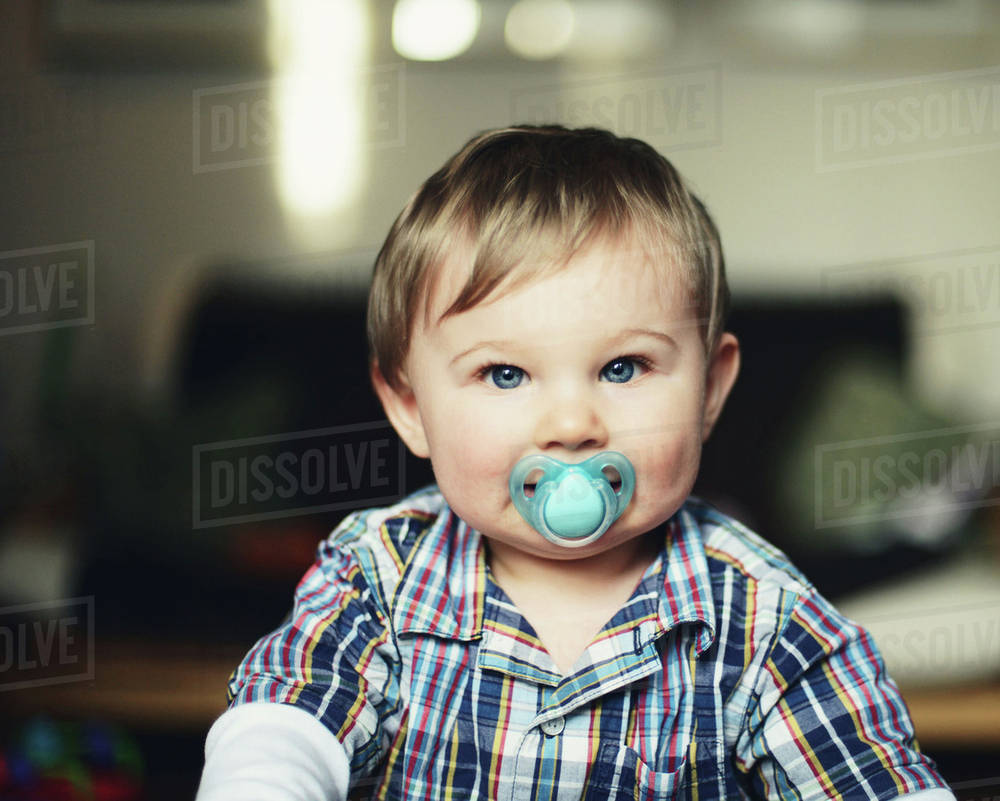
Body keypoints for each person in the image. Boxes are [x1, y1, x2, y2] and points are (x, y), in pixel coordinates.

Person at [196, 125, 954, 801]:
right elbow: (287, 719)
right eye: (504, 374)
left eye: (623, 368)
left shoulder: (766, 616)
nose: (569, 425)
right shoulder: (374, 577)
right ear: (409, 407)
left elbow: (872, 776)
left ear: (710, 389)